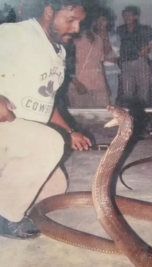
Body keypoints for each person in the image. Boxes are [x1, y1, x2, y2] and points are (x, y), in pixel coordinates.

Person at [0, 0, 90, 239]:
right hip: (4, 128)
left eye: (80, 22)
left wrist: (70, 131)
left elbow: (44, 102)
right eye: (71, 20)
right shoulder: (17, 34)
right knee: (49, 143)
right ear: (49, 12)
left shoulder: (57, 49)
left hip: (19, 135)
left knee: (54, 188)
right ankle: (5, 217)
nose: (76, 28)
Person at [67, 11, 110, 108]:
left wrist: (106, 85)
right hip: (80, 86)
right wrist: (76, 84)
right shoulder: (73, 40)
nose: (96, 23)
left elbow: (100, 64)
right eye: (94, 20)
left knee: (103, 118)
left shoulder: (99, 39)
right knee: (82, 119)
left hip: (99, 86)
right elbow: (66, 65)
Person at [116, 5, 152, 106]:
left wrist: (147, 46)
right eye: (125, 15)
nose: (126, 17)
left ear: (136, 17)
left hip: (140, 62)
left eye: (130, 15)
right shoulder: (120, 29)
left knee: (144, 93)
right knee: (127, 93)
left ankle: (143, 117)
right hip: (125, 64)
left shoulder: (144, 29)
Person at [95, 6, 120, 105]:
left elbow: (113, 56)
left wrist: (105, 38)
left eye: (103, 20)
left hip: (111, 71)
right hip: (96, 72)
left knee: (111, 100)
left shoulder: (114, 36)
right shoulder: (92, 36)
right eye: (98, 20)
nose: (101, 23)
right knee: (98, 102)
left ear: (108, 21)